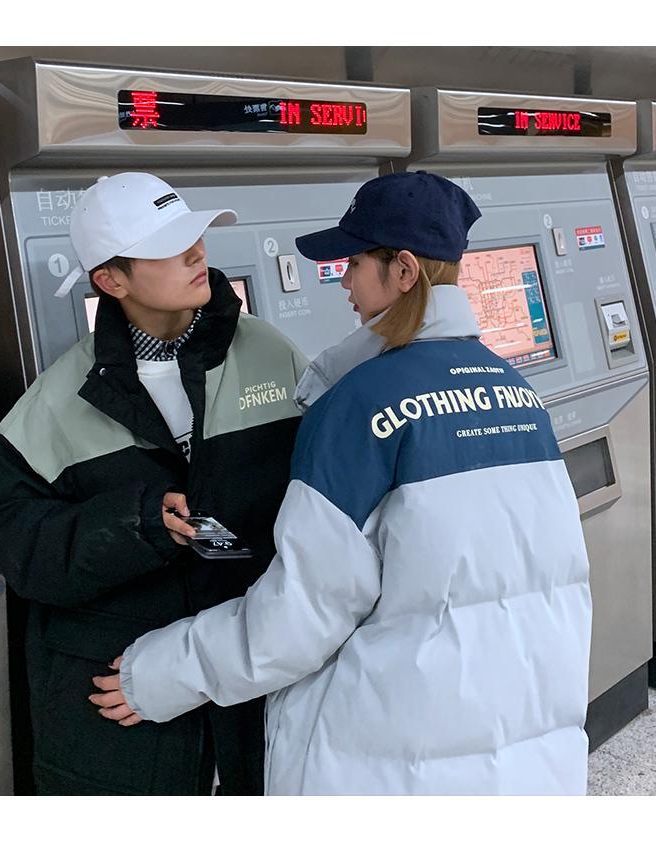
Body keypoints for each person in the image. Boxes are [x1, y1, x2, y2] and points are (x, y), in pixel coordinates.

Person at [90, 170, 592, 795]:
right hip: (521, 750)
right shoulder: (517, 392)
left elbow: (299, 620)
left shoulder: (357, 405)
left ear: (403, 271)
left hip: (397, 761)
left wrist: (160, 673)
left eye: (353, 263)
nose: (343, 282)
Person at [0, 172, 308, 795]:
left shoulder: (272, 354)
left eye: (196, 236)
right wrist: (136, 524)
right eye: (169, 247)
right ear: (111, 281)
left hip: (257, 691)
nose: (197, 252)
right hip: (125, 714)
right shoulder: (59, 399)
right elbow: (16, 537)